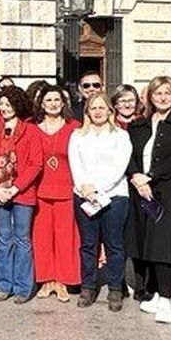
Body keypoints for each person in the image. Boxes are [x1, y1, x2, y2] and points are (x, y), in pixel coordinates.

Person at [125, 76, 171, 324]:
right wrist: (136, 176)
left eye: (168, 93)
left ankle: (166, 298)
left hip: (167, 190)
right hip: (140, 190)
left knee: (162, 244)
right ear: (150, 97)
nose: (163, 98)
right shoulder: (138, 125)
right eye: (158, 94)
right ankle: (156, 292)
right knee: (146, 242)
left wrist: (150, 177)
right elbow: (130, 155)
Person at [68, 92, 131, 311]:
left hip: (114, 197)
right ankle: (88, 285)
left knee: (114, 245)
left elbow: (120, 166)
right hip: (84, 196)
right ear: (87, 112)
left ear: (109, 111)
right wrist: (84, 188)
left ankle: (115, 288)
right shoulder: (77, 135)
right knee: (88, 244)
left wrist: (98, 189)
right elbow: (75, 163)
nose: (97, 112)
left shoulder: (120, 136)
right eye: (93, 108)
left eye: (101, 107)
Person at [0, 86, 40, 303]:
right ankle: (3, 284)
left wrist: (15, 187)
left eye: (8, 104)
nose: (4, 108)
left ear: (17, 105)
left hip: (22, 192)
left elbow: (35, 164)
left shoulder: (31, 131)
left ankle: (22, 287)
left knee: (22, 239)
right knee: (3, 238)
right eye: (1, 104)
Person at [31, 83, 80, 301]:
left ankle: (62, 281)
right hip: (40, 190)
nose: (53, 104)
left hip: (66, 189)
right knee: (41, 237)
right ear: (41, 103)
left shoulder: (75, 127)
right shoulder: (32, 128)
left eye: (57, 100)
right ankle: (46, 280)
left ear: (63, 103)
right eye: (48, 100)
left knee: (65, 237)